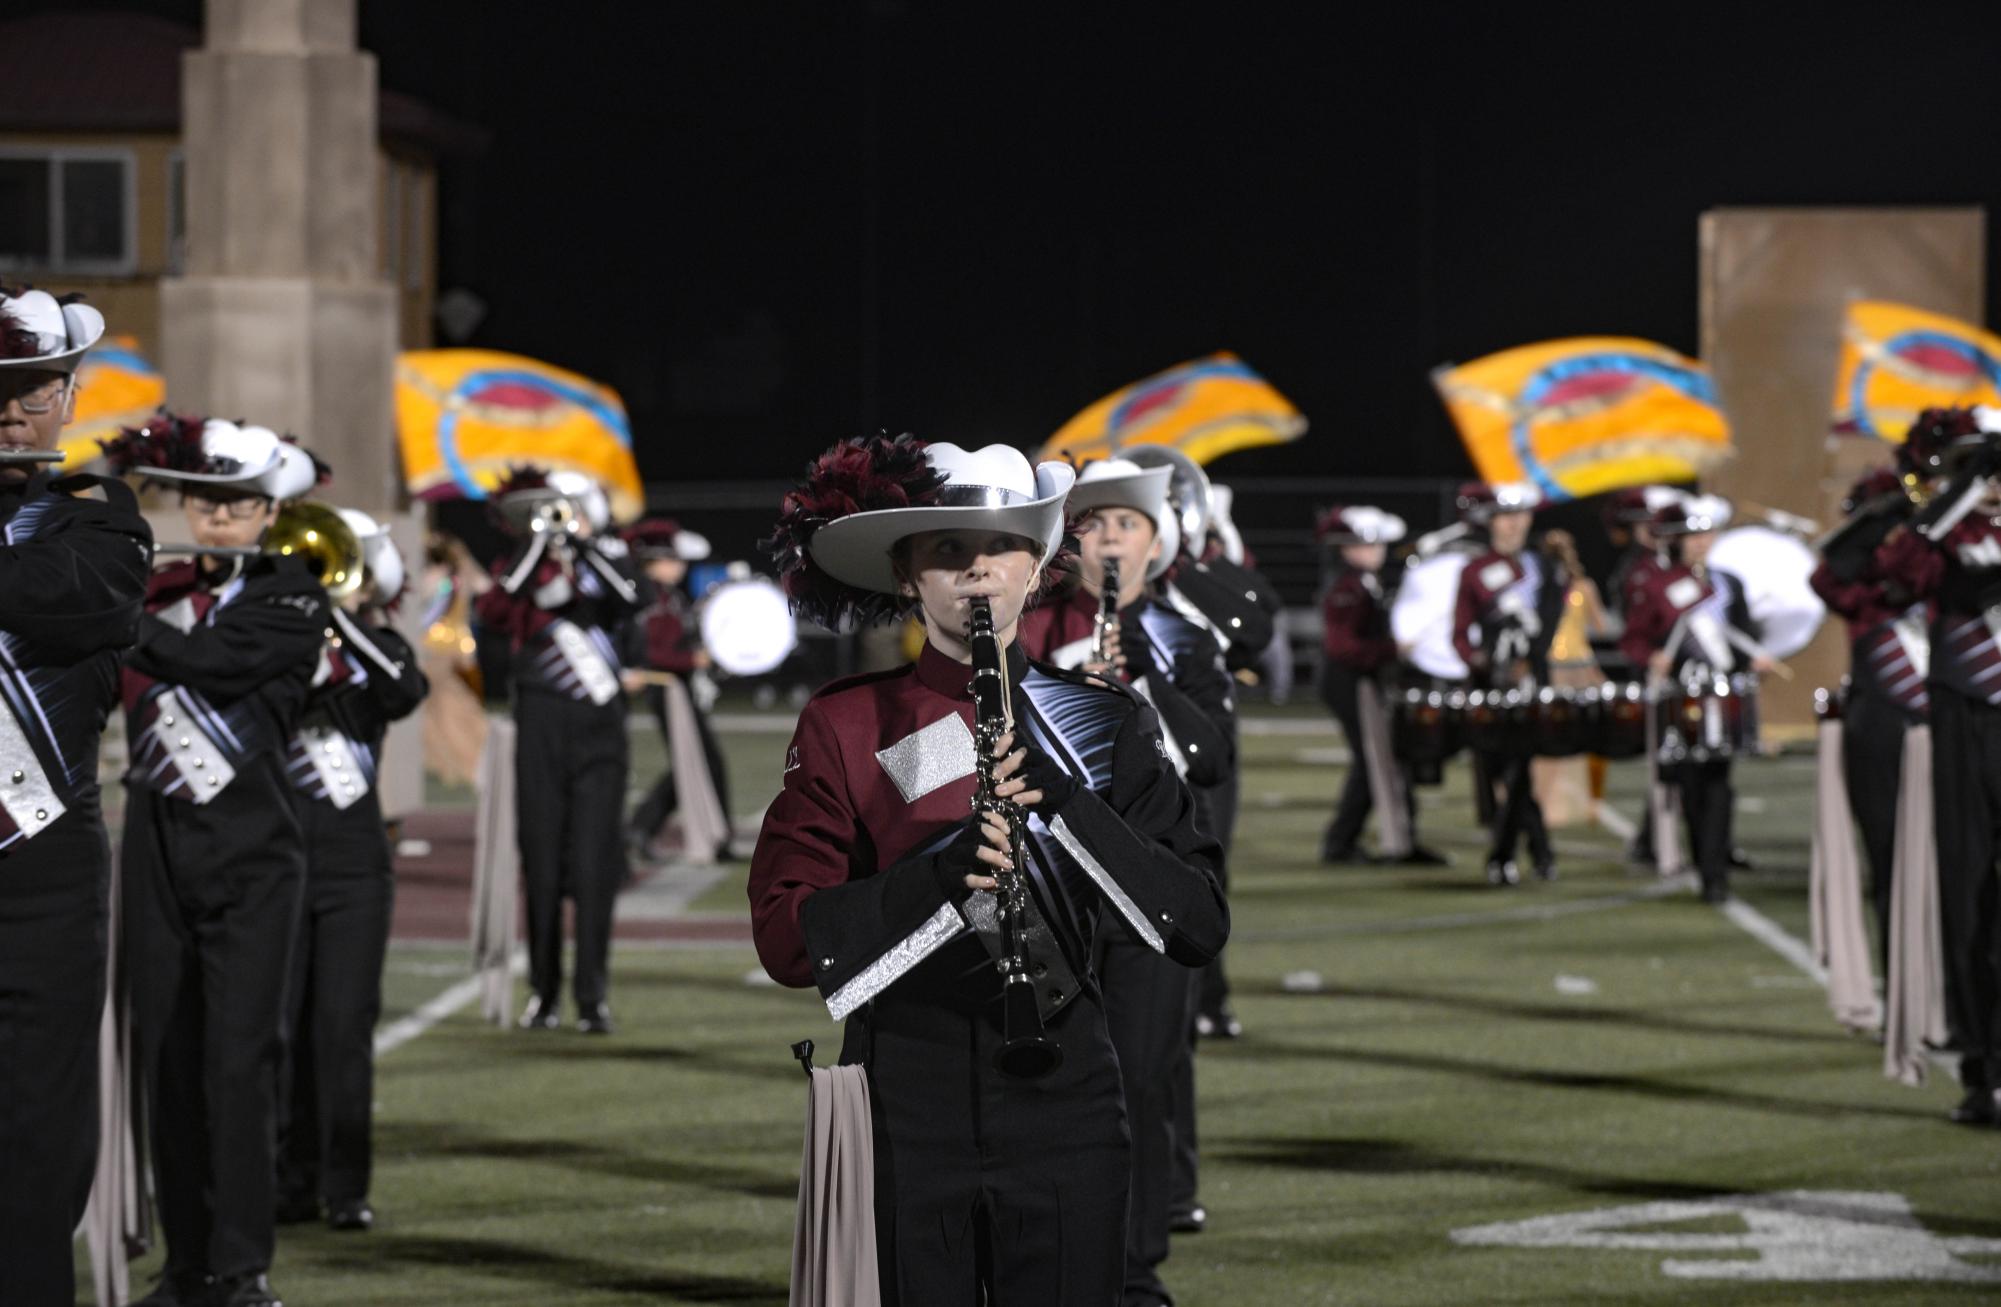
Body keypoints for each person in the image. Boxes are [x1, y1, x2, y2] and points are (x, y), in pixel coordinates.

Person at [749, 435, 1227, 1306]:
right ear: (907, 576)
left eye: (1002, 544)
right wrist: (943, 875)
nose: (977, 571)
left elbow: (1195, 922)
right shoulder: (846, 724)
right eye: (947, 550)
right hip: (904, 1100)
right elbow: (788, 937)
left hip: (1068, 1102)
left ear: (1038, 563)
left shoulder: (1102, 722)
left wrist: (1069, 805)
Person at [106, 415, 330, 1307]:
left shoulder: (295, 595)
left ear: (269, 509)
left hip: (253, 855)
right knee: (168, 1058)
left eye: (236, 503)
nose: (218, 518)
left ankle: (242, 1266)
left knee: (239, 1063)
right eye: (203, 501)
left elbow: (212, 663)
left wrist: (110, 608)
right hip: (156, 844)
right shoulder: (157, 586)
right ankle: (186, 1261)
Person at [1018, 457, 1234, 1305]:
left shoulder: (1183, 636)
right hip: (1054, 890)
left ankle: (1137, 1262)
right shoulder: (1029, 629)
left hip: (1146, 888)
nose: (1107, 540)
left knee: (1140, 1074)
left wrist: (1135, 682)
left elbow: (1210, 755)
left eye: (1124, 524)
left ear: (1155, 541)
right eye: (1092, 524)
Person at [0, 289, 152, 1307]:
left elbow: (61, 598)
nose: (12, 412)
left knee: (32, 1143)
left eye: (33, 390)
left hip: (37, 879)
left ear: (66, 398)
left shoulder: (98, 519)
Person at [274, 510, 428, 1232]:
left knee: (341, 1027)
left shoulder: (380, 648)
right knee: (278, 1027)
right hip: (275, 861)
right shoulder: (272, 640)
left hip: (353, 867)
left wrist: (335, 610)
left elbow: (404, 689)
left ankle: (344, 1185)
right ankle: (287, 1179)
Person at [475, 468, 641, 1034]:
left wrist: (583, 546)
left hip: (600, 731)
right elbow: (493, 612)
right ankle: (543, 993)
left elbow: (630, 599)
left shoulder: (608, 565)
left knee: (595, 867)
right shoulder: (518, 568)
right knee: (541, 864)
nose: (563, 519)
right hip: (540, 726)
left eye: (571, 510)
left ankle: (592, 996)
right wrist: (540, 542)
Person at [1874, 410, 2001, 1126]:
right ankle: (1981, 1066)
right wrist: (1964, 485)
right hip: (1963, 720)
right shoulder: (1944, 534)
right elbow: (1893, 575)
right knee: (1967, 893)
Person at [1619, 494, 1772, 905]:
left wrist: (1754, 659)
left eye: (1707, 533)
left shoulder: (1727, 584)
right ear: (1677, 540)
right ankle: (1706, 862)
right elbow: (1633, 639)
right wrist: (1651, 657)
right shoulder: (1656, 586)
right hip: (1680, 696)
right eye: (1693, 535)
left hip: (1721, 697)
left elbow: (1741, 635)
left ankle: (1715, 873)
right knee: (1690, 784)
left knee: (1720, 783)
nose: (1702, 542)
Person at [1810, 454, 1933, 965]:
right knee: (1890, 862)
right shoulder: (1860, 580)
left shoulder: (1944, 557)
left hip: (1950, 722)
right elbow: (1827, 574)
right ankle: (1905, 984)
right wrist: (1884, 513)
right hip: (1883, 722)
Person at [1315, 504, 1447, 866]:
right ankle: (1342, 843)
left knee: (1382, 760)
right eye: (1369, 544)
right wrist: (1394, 648)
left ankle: (1394, 840)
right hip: (1350, 681)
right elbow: (1343, 647)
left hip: (1361, 680)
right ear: (1348, 547)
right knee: (1373, 761)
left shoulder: (1362, 583)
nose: (1379, 551)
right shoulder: (1349, 586)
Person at [1451, 481, 1567, 885]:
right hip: (1490, 688)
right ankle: (1539, 852)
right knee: (1506, 771)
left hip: (1532, 684)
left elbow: (1550, 628)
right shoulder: (1475, 571)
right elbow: (1460, 633)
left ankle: (1504, 856)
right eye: (1505, 516)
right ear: (1491, 522)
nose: (1513, 525)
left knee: (1518, 768)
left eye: (1520, 516)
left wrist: (1528, 661)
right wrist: (1482, 661)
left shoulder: (1544, 568)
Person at [622, 516, 732, 861]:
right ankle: (709, 838)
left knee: (699, 761)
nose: (680, 566)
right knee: (700, 762)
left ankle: (713, 836)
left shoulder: (667, 595)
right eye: (673, 559)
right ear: (654, 561)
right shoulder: (648, 596)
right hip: (666, 688)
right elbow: (651, 651)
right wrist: (691, 660)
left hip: (677, 688)